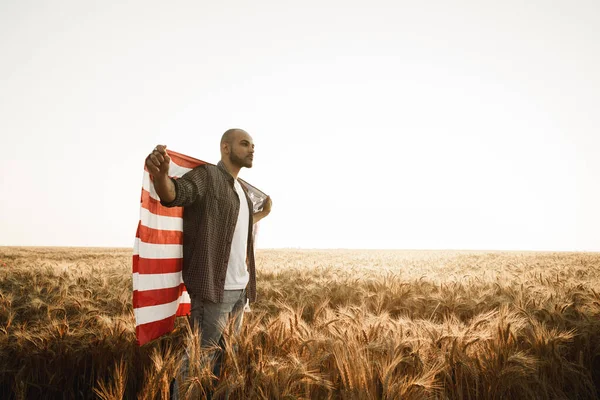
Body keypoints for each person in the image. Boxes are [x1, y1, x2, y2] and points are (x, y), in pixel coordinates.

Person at [145, 128, 272, 398]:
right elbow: (174, 194)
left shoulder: (242, 193)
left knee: (225, 366)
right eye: (244, 143)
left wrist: (261, 212)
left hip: (240, 292)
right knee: (197, 365)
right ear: (225, 148)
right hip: (214, 292)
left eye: (253, 145)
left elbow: (236, 226)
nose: (252, 149)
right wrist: (161, 175)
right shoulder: (208, 177)